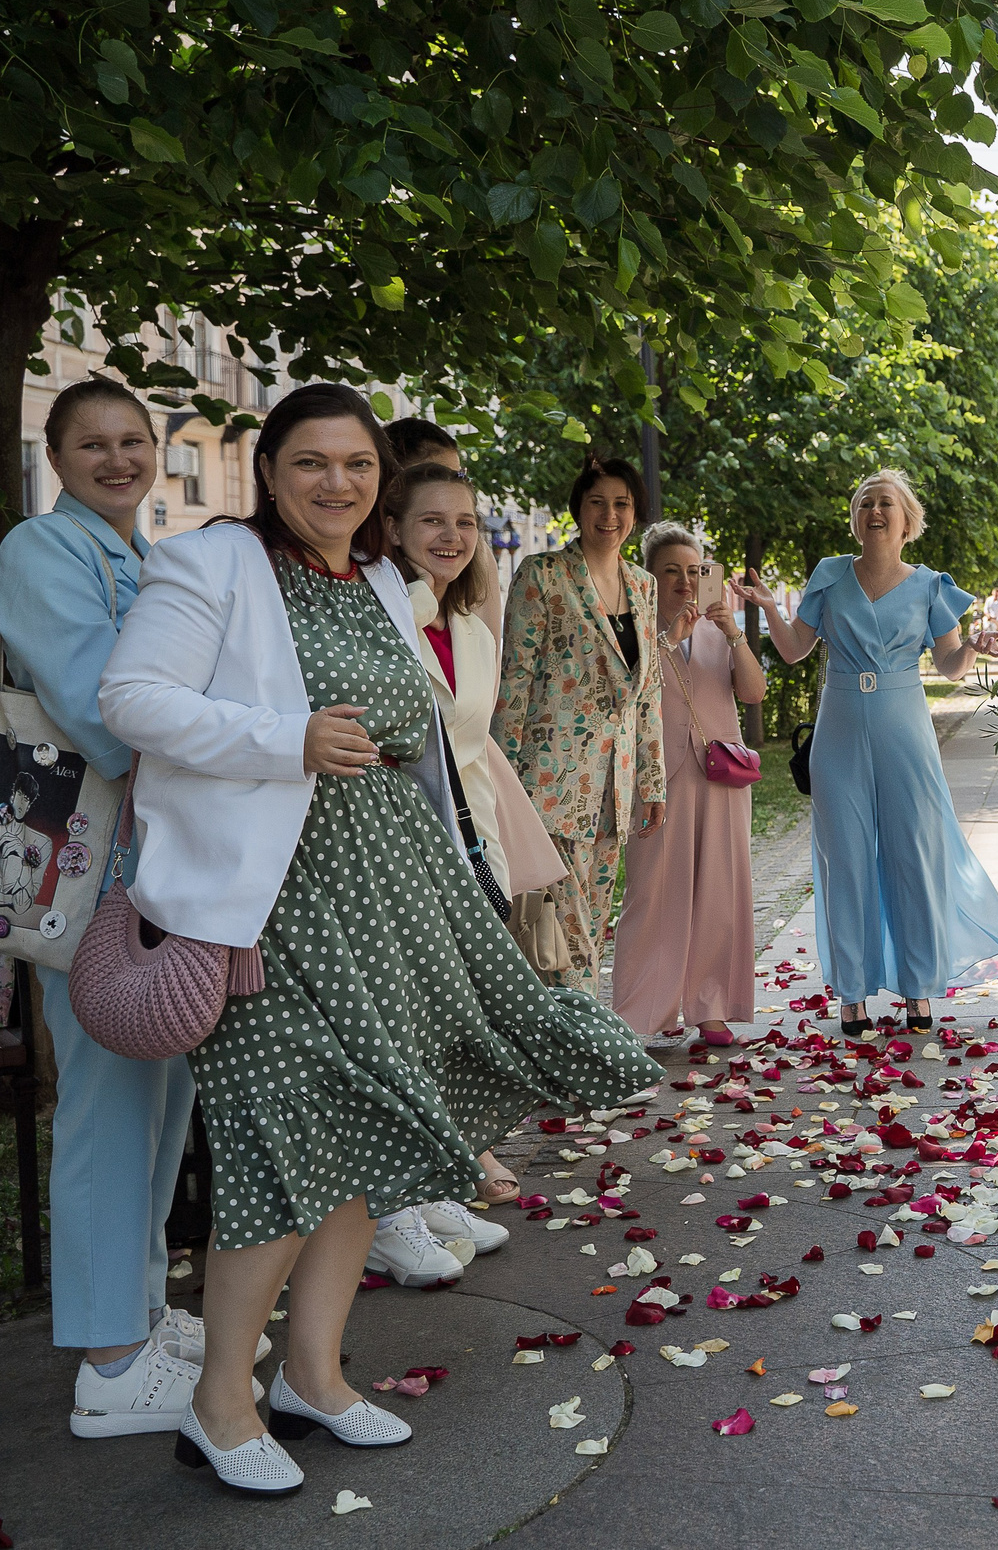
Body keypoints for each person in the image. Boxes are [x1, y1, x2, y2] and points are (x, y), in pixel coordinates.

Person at [100, 386, 663, 1495]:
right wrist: (286, 737)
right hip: (270, 904)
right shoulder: (211, 566)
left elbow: (422, 744)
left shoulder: (376, 581)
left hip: (389, 887)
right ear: (268, 473)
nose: (336, 484)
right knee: (278, 1140)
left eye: (357, 465)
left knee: (373, 1128)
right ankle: (221, 1402)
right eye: (311, 463)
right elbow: (130, 698)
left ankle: (312, 1376)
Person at [0, 379, 214, 1437]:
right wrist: (226, 733)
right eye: (95, 444)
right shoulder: (44, 550)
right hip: (77, 865)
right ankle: (110, 1364)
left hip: (140, 863)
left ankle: (139, 1314)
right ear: (57, 453)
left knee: (156, 1089)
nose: (120, 459)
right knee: (107, 1098)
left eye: (134, 441)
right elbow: (105, 713)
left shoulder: (141, 552)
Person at [743, 470, 998, 1039]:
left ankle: (917, 991)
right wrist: (769, 607)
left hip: (904, 732)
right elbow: (793, 651)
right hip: (838, 732)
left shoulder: (931, 586)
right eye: (865, 502)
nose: (874, 510)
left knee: (912, 854)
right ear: (856, 517)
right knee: (845, 860)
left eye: (885, 502)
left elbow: (948, 666)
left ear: (906, 519)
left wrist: (973, 646)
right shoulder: (830, 575)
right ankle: (852, 997)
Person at [385, 460, 570, 1245]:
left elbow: (475, 756)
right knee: (399, 1021)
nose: (452, 537)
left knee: (448, 1018)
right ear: (392, 528)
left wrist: (492, 865)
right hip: (392, 848)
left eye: (464, 522)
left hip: (468, 848)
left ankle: (436, 1179)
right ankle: (390, 1206)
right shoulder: (382, 616)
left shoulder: (470, 629)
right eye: (432, 521)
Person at [498, 455, 666, 1001]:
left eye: (620, 503)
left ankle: (573, 1037)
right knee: (564, 929)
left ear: (635, 514)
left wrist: (652, 780)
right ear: (578, 509)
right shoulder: (541, 575)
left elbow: (649, 690)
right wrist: (502, 781)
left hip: (612, 788)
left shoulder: (643, 585)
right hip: (548, 781)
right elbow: (515, 680)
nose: (609, 514)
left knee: (592, 921)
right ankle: (595, 1043)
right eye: (597, 502)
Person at [610, 523, 765, 1049]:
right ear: (648, 576)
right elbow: (625, 695)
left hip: (721, 775)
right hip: (657, 778)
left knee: (721, 892)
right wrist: (667, 638)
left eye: (695, 571)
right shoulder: (630, 626)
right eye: (671, 570)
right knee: (652, 894)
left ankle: (712, 1007)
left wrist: (736, 634)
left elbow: (753, 691)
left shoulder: (721, 629)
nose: (684, 581)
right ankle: (638, 1012)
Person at [382, 416, 508, 643]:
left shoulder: (475, 555)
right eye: (434, 474)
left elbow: (489, 651)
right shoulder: (360, 557)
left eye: (459, 475)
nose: (451, 486)